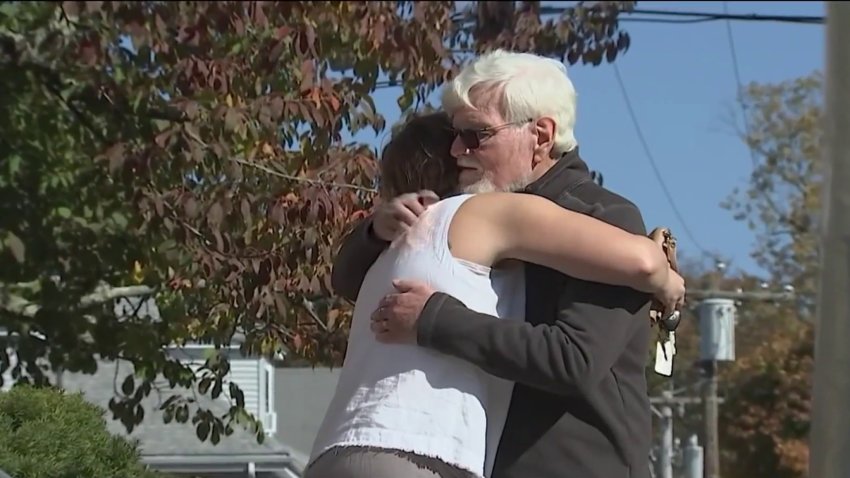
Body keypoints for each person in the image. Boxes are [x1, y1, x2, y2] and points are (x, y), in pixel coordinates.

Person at [332, 50, 676, 478]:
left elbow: (575, 361)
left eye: (476, 135)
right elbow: (349, 281)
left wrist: (435, 318)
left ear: (541, 135)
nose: (458, 150)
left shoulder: (602, 217)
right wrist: (376, 230)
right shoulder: (478, 215)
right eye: (456, 135)